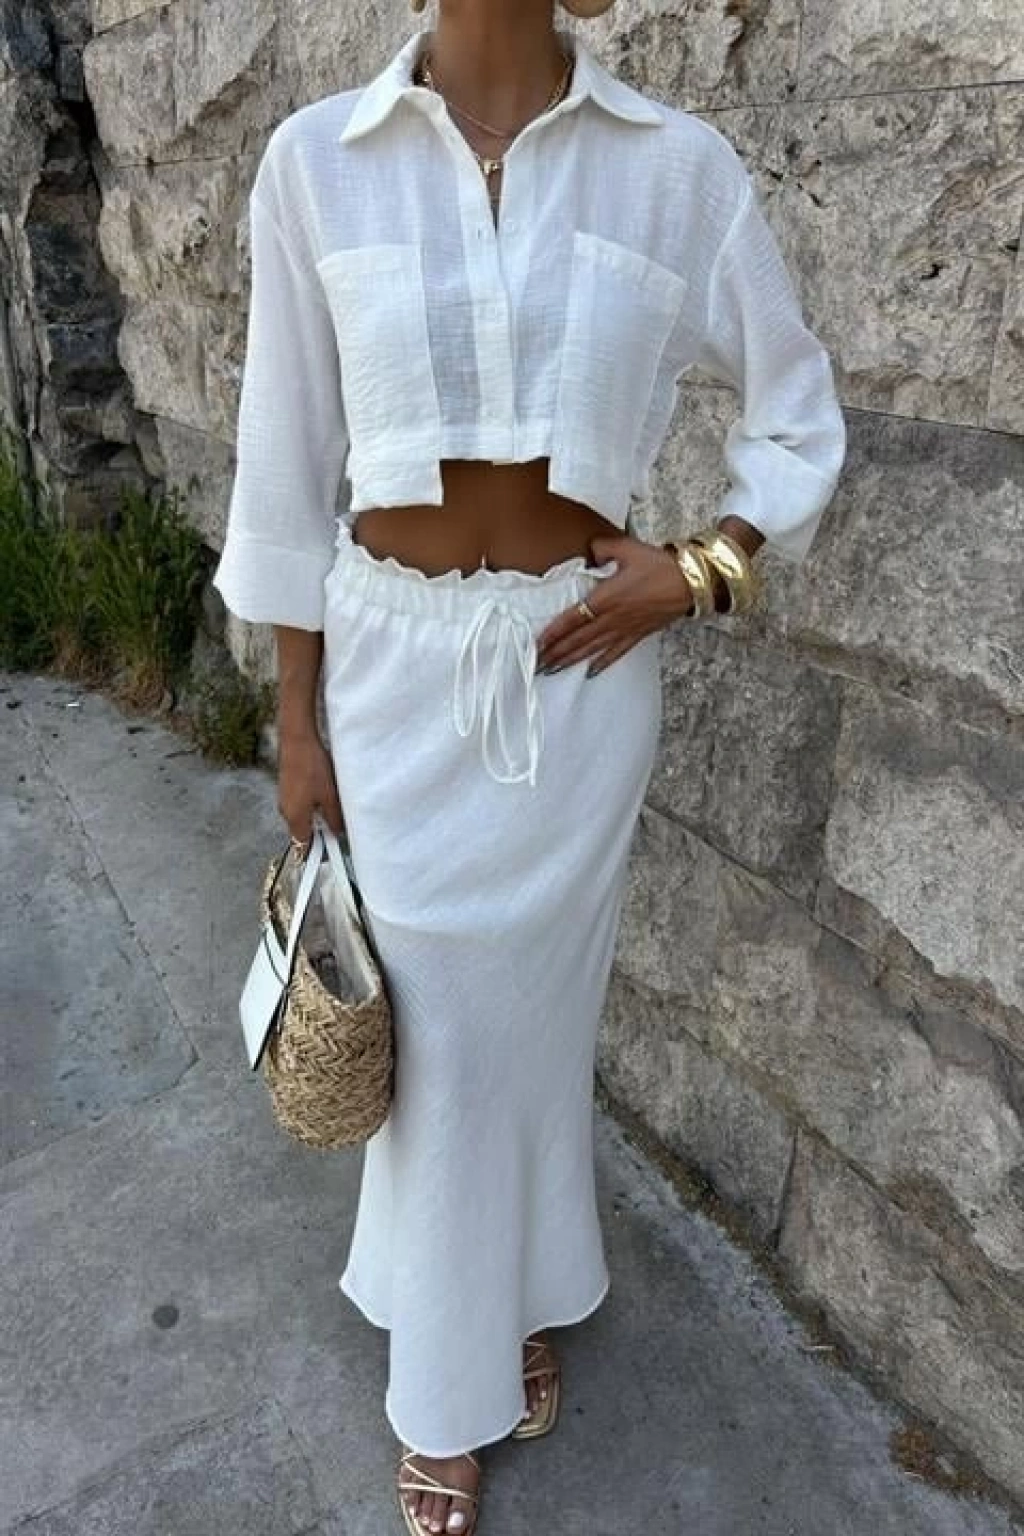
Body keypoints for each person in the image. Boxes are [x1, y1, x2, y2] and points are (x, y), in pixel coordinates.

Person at [211, 0, 847, 1530]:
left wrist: (700, 569)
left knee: (529, 1038)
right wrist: (296, 716)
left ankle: (514, 1291)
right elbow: (284, 464)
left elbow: (797, 412)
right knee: (436, 1046)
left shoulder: (676, 169)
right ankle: (450, 1374)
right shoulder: (317, 161)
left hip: (576, 685)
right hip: (388, 673)